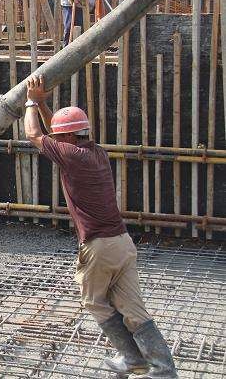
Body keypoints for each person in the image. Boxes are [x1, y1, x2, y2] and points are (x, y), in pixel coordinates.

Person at [24, 75, 177, 379]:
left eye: (60, 136)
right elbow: (58, 129)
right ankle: (163, 371)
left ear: (66, 139)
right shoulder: (96, 152)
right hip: (122, 244)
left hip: (99, 247)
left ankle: (132, 359)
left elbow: (33, 134)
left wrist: (29, 100)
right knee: (134, 312)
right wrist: (43, 104)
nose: (57, 138)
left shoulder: (70, 156)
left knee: (94, 301)